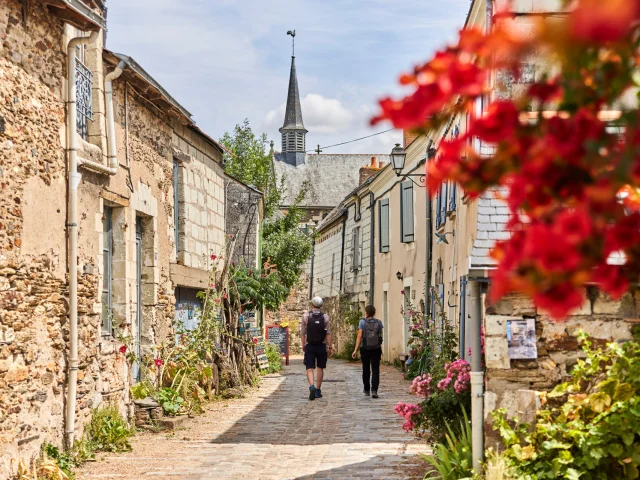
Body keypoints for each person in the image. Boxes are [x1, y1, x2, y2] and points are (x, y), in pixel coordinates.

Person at [301, 296, 333, 400]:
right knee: (320, 367)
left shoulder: (306, 316)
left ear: (312, 305)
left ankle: (311, 386)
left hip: (309, 345)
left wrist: (303, 345)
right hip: (321, 345)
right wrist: (330, 346)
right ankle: (318, 390)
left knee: (309, 368)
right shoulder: (325, 317)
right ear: (321, 305)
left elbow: (303, 333)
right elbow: (328, 333)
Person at [352, 305, 383, 398]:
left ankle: (366, 389)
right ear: (374, 312)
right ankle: (374, 390)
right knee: (375, 370)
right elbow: (380, 336)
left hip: (365, 348)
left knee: (366, 369)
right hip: (376, 349)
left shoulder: (362, 322)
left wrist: (355, 349)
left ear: (367, 312)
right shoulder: (379, 322)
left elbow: (359, 336)